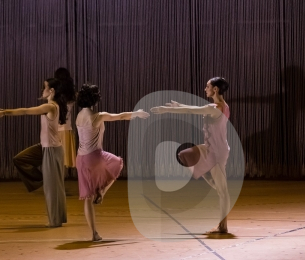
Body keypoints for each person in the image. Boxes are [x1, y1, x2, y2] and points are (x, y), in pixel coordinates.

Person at [150, 77, 231, 234]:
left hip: (217, 152)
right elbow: (195, 108)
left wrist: (168, 110)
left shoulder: (215, 108)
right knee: (185, 155)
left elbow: (192, 110)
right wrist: (179, 105)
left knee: (223, 192)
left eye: (207, 86)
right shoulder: (221, 106)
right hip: (209, 148)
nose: (205, 89)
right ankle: (216, 186)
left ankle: (223, 226)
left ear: (215, 89)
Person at [75, 83, 149, 241]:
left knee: (87, 198)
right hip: (95, 156)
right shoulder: (97, 116)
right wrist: (137, 113)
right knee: (118, 163)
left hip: (81, 159)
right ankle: (101, 191)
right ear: (95, 99)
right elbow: (120, 116)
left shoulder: (79, 115)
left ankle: (94, 233)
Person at [0, 78, 68, 227]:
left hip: (52, 150)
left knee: (53, 188)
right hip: (44, 147)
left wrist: (4, 112)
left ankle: (55, 221)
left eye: (44, 87)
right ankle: (43, 179)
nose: (42, 90)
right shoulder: (51, 106)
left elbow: (26, 111)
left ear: (51, 91)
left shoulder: (51, 107)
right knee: (20, 159)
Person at [54, 68, 77, 172]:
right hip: (66, 128)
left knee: (55, 159)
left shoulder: (54, 95)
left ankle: (57, 184)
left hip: (54, 129)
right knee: (63, 160)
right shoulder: (72, 95)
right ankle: (59, 184)